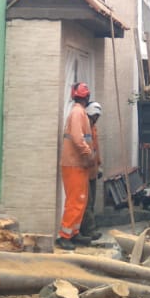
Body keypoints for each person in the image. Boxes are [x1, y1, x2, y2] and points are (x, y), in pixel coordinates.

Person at [57, 82, 93, 250]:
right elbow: (78, 139)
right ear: (87, 96)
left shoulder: (79, 112)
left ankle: (74, 233)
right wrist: (88, 153)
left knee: (80, 200)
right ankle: (65, 236)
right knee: (75, 201)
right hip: (74, 163)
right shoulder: (78, 113)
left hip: (78, 163)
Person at [79, 101, 103, 242]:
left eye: (97, 116)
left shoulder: (93, 128)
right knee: (86, 202)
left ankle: (88, 229)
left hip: (92, 170)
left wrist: (98, 165)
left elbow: (95, 149)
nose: (95, 119)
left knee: (91, 201)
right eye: (94, 116)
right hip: (84, 170)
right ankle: (88, 230)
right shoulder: (85, 127)